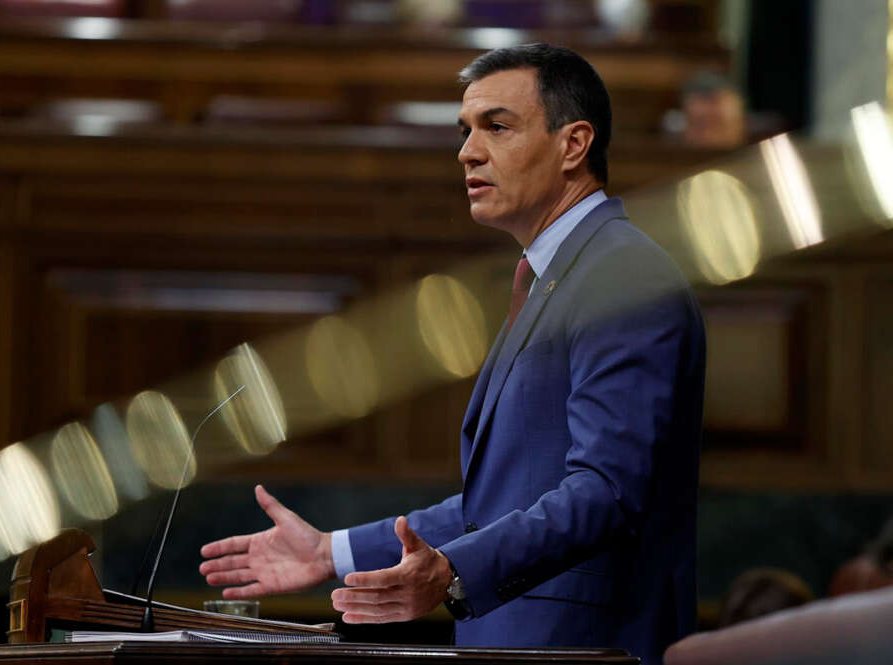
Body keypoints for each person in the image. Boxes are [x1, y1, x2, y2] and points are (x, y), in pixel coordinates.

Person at [200, 44, 706, 665]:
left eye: (497, 126)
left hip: (583, 646)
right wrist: (330, 552)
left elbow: (606, 490)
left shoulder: (621, 274)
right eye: (465, 131)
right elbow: (502, 504)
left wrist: (451, 569)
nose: (467, 151)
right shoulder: (557, 275)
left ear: (574, 144)